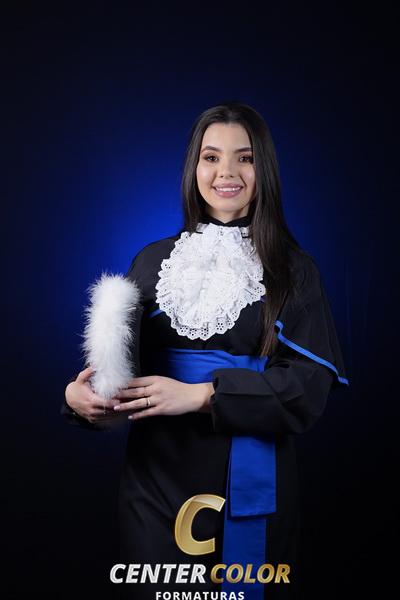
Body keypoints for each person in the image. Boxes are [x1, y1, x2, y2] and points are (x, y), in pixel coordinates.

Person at [62, 102, 349, 599]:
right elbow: (116, 376)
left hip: (249, 478)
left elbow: (306, 389)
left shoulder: (293, 270)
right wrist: (80, 399)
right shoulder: (152, 261)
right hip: (154, 482)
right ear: (193, 167)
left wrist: (201, 396)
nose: (226, 173)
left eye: (245, 158)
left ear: (264, 169)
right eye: (211, 157)